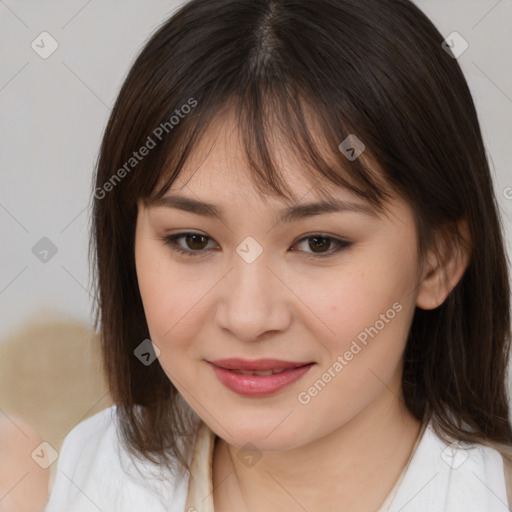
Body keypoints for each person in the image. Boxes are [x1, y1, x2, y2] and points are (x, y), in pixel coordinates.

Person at [44, 0, 512, 510]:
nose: (248, 318)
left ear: (437, 261)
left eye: (318, 243)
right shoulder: (78, 474)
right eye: (193, 240)